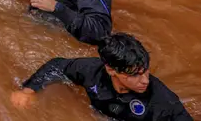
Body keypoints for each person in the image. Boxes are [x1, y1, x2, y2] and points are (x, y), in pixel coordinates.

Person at [12, 33, 192, 120]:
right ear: (111, 70)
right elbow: (57, 65)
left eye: (145, 71)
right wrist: (28, 91)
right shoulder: (91, 71)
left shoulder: (164, 103)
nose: (145, 79)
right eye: (135, 75)